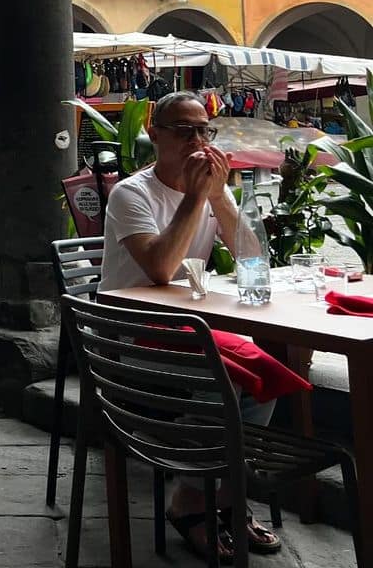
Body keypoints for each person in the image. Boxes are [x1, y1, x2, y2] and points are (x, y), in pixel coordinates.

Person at [100, 91, 280, 560]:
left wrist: (218, 197)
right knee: (222, 379)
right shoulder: (131, 194)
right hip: (130, 341)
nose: (197, 141)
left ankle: (221, 496)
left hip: (185, 331)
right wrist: (196, 197)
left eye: (204, 130)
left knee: (265, 375)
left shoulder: (210, 192)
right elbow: (160, 268)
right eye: (184, 131)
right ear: (155, 135)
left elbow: (253, 261)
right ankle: (192, 500)